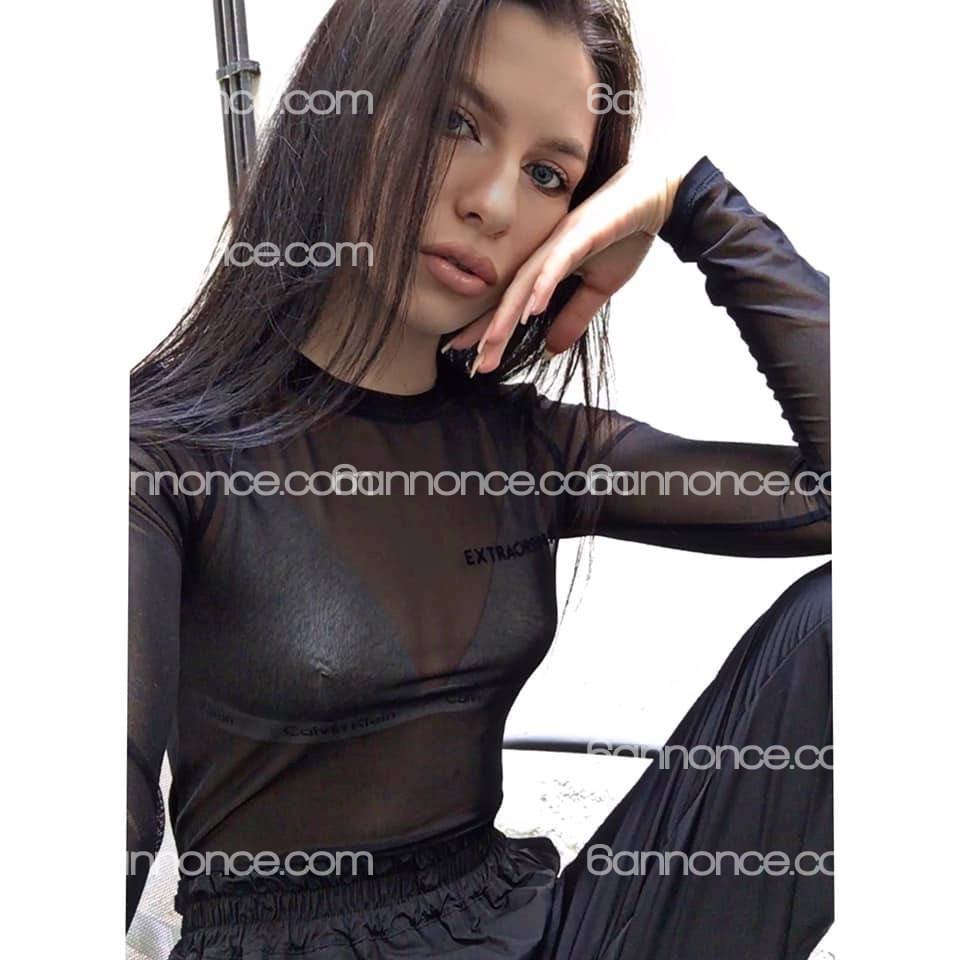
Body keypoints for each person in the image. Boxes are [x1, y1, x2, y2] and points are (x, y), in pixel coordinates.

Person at [128, 1, 832, 957]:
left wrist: (689, 202)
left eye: (548, 176)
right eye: (455, 121)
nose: (495, 204)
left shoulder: (526, 447)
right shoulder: (159, 454)